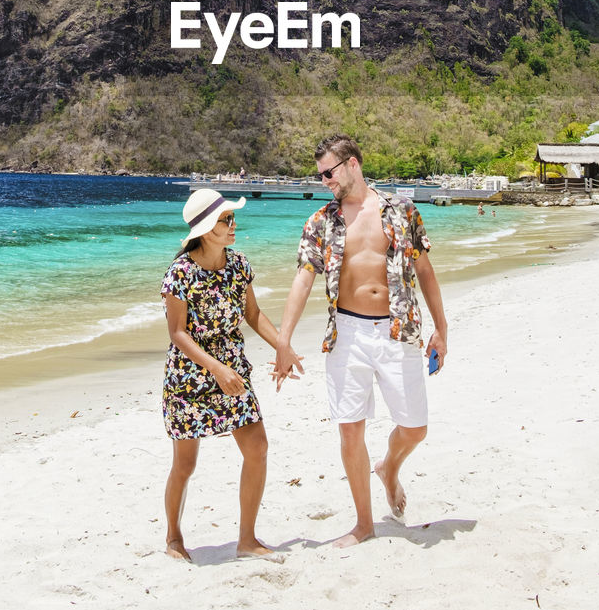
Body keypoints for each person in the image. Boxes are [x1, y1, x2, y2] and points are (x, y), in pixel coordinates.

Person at [273, 133, 448, 547]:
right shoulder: (321, 221)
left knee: (415, 428)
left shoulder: (402, 210)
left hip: (397, 328)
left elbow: (425, 272)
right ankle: (364, 524)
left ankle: (388, 467)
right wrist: (283, 339)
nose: (324, 182)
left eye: (329, 173)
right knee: (350, 431)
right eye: (320, 176)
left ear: (353, 163)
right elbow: (302, 279)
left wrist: (442, 328)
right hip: (347, 333)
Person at [162, 187, 283, 563]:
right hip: (190, 379)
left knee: (257, 448)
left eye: (232, 218)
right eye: (226, 219)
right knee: (185, 465)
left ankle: (247, 540)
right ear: (205, 228)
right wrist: (215, 368)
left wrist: (283, 346)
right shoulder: (180, 273)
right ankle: (173, 539)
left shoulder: (239, 264)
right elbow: (177, 333)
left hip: (233, 372)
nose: (233, 225)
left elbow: (253, 314)